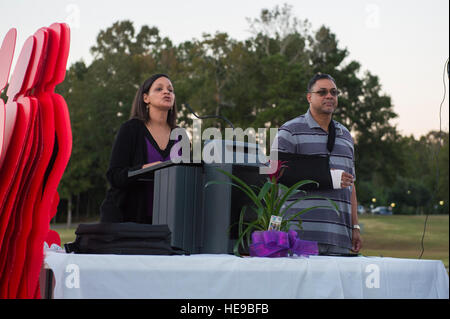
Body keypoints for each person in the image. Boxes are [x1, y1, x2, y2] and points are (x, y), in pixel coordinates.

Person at [273, 73, 362, 254]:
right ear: (309, 97)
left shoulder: (346, 136)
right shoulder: (289, 131)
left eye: (333, 92)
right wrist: (325, 176)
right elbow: (274, 176)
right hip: (299, 236)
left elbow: (351, 186)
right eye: (322, 92)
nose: (329, 96)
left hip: (339, 237)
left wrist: (355, 227)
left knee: (336, 284)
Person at [100, 73, 182, 224]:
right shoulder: (131, 129)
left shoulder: (180, 136)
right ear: (146, 98)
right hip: (126, 221)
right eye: (159, 89)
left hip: (168, 223)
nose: (166, 92)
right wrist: (144, 169)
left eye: (170, 90)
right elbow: (114, 176)